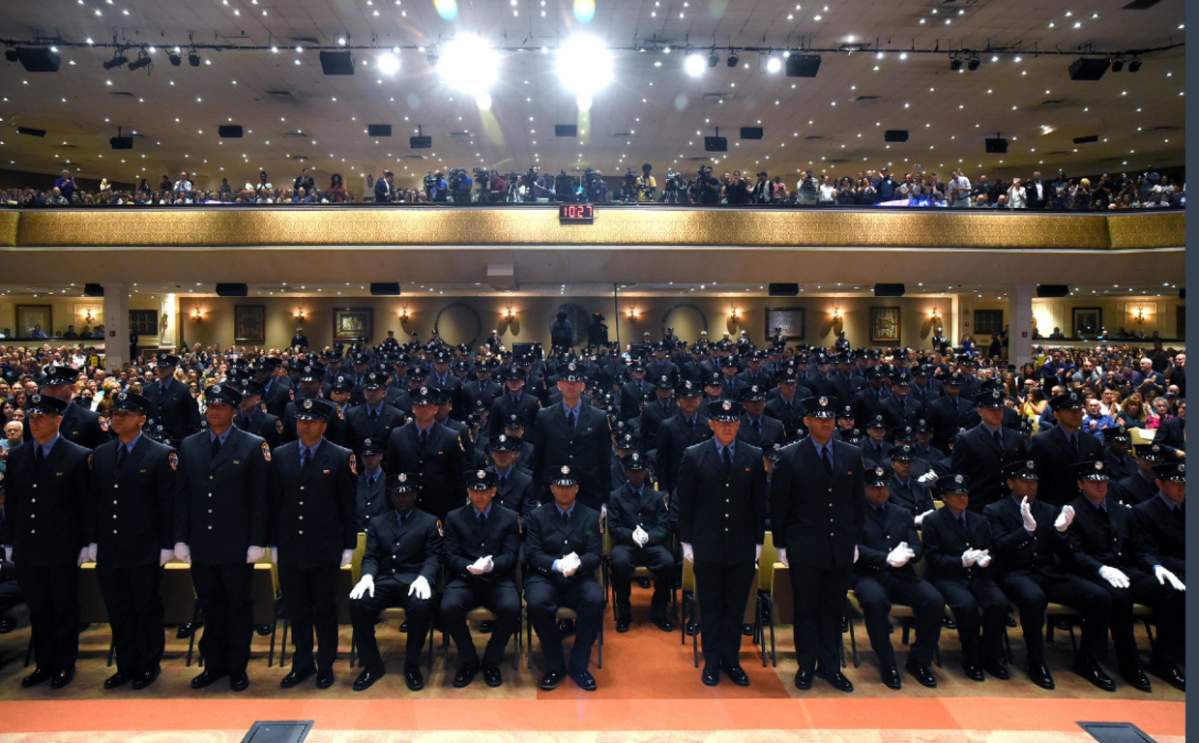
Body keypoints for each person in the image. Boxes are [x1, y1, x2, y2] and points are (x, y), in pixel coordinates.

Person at [983, 459, 1115, 691]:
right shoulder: (995, 510)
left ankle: (1087, 659)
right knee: (1033, 598)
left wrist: (1063, 532)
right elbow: (999, 548)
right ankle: (1036, 661)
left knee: (1099, 596)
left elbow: (1063, 552)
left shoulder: (1049, 509)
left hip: (1048, 571)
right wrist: (1024, 531)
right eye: (1024, 481)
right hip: (1015, 572)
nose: (1031, 486)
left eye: (1034, 481)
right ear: (1010, 483)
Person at [173, 383, 270, 692]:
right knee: (210, 606)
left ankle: (237, 667)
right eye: (210, 407)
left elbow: (259, 498)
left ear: (233, 410)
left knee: (238, 607)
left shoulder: (253, 445)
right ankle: (213, 665)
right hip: (202, 541)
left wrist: (257, 541)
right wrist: (181, 538)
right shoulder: (189, 445)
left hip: (237, 543)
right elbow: (183, 496)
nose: (213, 412)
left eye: (220, 407)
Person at [1065, 459, 1184, 691]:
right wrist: (1100, 568)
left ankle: (1163, 659)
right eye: (1093, 482)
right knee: (1119, 598)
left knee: (1173, 591)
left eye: (1104, 482)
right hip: (1094, 571)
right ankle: (1125, 661)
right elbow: (1074, 553)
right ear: (1080, 484)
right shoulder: (1072, 511)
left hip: (1126, 569)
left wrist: (1156, 567)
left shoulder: (1121, 511)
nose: (1101, 487)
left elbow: (1139, 548)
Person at [770, 394, 862, 692]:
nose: (825, 423)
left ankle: (830, 667)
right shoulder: (789, 456)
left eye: (829, 418)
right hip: (805, 545)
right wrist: (782, 545)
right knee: (806, 610)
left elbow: (856, 501)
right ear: (807, 421)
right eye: (819, 418)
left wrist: (855, 540)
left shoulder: (851, 454)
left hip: (840, 546)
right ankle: (806, 666)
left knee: (834, 609)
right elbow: (780, 505)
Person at [86, 392, 176, 691]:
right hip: (110, 547)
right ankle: (125, 664)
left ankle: (148, 664)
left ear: (142, 419)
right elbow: (95, 502)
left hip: (144, 546)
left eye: (125, 413)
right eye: (115, 413)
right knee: (118, 609)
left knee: (146, 608)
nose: (118, 418)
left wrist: (167, 545)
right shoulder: (100, 454)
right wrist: (93, 540)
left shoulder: (160, 454)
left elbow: (167, 504)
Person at [1, 394, 91, 690]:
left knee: (63, 607)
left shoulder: (77, 456)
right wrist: (10, 541)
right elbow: (12, 503)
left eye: (42, 417)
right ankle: (44, 662)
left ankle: (64, 664)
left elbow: (84, 505)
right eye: (32, 417)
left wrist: (85, 543)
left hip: (62, 545)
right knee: (38, 608)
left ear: (58, 420)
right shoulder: (18, 456)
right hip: (28, 545)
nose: (35, 422)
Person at [269, 398, 356, 690]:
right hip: (291, 544)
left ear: (324, 425)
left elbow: (347, 506)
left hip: (325, 546)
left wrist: (348, 546)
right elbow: (274, 503)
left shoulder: (341, 457)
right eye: (301, 420)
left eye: (311, 421)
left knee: (324, 608)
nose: (305, 425)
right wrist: (272, 542)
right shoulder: (281, 455)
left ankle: (326, 664)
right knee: (297, 609)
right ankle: (302, 662)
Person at [348, 472, 442, 692]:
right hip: (384, 579)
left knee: (421, 606)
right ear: (391, 496)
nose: (402, 498)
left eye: (407, 494)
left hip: (412, 580)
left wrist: (425, 577)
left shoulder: (429, 522)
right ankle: (372, 665)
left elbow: (433, 556)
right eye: (397, 495)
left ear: (414, 495)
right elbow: (371, 556)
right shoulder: (378, 522)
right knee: (358, 604)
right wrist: (367, 577)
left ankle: (412, 664)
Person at [853, 464, 943, 689]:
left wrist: (909, 555)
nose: (880, 492)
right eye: (874, 488)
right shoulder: (854, 514)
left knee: (933, 600)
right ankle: (887, 662)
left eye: (883, 488)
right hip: (868, 575)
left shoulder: (901, 513)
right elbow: (854, 549)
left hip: (902, 574)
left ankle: (919, 661)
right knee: (875, 602)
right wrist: (885, 558)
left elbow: (916, 544)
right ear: (864, 489)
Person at [920, 474, 1010, 682]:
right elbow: (933, 558)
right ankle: (971, 657)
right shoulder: (933, 521)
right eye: (956, 494)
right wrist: (960, 561)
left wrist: (986, 558)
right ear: (944, 497)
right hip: (948, 577)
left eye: (965, 494)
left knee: (998, 603)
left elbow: (990, 547)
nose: (962, 498)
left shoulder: (978, 520)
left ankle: (990, 654)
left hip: (977, 575)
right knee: (967, 606)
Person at [523, 465, 605, 691]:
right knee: (537, 602)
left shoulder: (590, 517)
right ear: (552, 489)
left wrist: (578, 564)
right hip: (546, 577)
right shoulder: (536, 517)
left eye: (569, 487)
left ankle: (579, 664)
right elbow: (532, 553)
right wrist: (555, 564)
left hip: (579, 577)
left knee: (595, 599)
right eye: (560, 487)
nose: (565, 491)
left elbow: (595, 553)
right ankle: (554, 664)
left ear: (577, 489)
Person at [439, 468, 522, 687]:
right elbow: (449, 554)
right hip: (466, 579)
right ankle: (468, 660)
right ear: (468, 492)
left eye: (485, 491)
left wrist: (492, 565)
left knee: (511, 606)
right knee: (448, 606)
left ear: (493, 491)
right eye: (475, 491)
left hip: (497, 579)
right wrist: (467, 566)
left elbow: (511, 554)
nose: (480, 496)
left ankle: (492, 660)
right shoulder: (454, 517)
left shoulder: (509, 517)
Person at [530, 362, 611, 512]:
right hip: (553, 492)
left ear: (582, 386)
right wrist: (537, 495)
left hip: (589, 492)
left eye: (576, 382)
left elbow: (604, 460)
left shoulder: (599, 418)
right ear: (559, 385)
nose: (571, 386)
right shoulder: (544, 417)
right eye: (567, 382)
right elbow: (538, 459)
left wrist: (605, 499)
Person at [608, 451, 674, 633]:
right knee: (619, 562)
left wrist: (649, 537)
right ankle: (624, 613)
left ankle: (659, 611)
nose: (636, 475)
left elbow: (663, 526)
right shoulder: (616, 496)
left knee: (668, 562)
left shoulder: (657, 497)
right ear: (627, 473)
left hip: (651, 545)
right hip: (627, 545)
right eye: (632, 472)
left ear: (645, 472)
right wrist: (632, 536)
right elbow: (613, 527)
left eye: (639, 471)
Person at [384, 385, 466, 519]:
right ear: (413, 408)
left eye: (428, 405)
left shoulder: (450, 437)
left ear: (436, 408)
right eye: (419, 406)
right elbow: (390, 477)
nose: (424, 409)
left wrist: (455, 515)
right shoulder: (398, 435)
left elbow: (457, 480)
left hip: (440, 510)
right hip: (406, 508)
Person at [950, 385, 1027, 511]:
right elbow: (959, 477)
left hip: (1010, 506)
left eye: (1000, 409)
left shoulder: (1015, 437)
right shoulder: (967, 439)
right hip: (980, 505)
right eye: (991, 409)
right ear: (980, 411)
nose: (996, 413)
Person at [1028, 390, 1101, 506]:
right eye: (1070, 411)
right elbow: (1034, 479)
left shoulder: (1092, 442)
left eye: (1078, 410)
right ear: (1056, 414)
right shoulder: (1042, 441)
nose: (1076, 414)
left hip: (1087, 506)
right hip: (1055, 506)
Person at [32, 364, 108, 449]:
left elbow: (103, 454)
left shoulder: (90, 419)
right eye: (47, 387)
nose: (50, 391)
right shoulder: (34, 418)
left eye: (57, 387)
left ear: (72, 389)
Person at [143, 353, 202, 447]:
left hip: (177, 442)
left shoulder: (184, 390)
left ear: (173, 369)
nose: (161, 370)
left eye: (165, 368)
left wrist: (190, 444)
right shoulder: (148, 390)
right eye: (159, 367)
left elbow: (194, 419)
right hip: (153, 442)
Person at [489, 434, 538, 516]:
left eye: (506, 453)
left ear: (514, 454)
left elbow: (529, 516)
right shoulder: (485, 477)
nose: (502, 457)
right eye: (498, 452)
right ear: (492, 454)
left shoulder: (525, 482)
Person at [354, 438, 388, 531]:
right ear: (361, 458)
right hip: (358, 535)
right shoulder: (355, 482)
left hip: (382, 535)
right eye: (365, 456)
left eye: (372, 456)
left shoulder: (389, 482)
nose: (369, 460)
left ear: (380, 456)